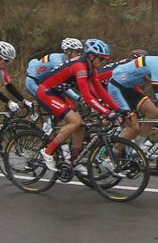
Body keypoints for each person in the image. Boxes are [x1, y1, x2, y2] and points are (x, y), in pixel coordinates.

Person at [36, 37, 120, 172]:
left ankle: (74, 161)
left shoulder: (90, 67)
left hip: (57, 93)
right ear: (91, 56)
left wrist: (117, 109)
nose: (104, 62)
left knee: (80, 125)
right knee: (74, 121)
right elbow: (87, 96)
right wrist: (107, 112)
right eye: (102, 59)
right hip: (45, 92)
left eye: (106, 59)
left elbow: (99, 91)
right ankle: (48, 151)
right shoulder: (80, 67)